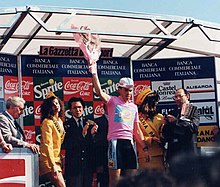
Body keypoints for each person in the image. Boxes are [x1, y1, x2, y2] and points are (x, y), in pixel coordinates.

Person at [91, 66, 148, 186]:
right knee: (115, 181)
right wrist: (94, 72)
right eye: (126, 90)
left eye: (130, 90)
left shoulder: (134, 107)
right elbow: (99, 92)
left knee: (131, 180)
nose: (128, 93)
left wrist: (145, 148)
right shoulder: (113, 101)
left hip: (129, 143)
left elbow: (136, 130)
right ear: (119, 90)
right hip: (115, 143)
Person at [63, 97, 98, 187]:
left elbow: (94, 145)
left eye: (79, 107)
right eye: (74, 108)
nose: (77, 110)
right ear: (70, 110)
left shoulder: (90, 123)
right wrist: (82, 135)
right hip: (73, 167)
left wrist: (93, 135)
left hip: (88, 166)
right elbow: (66, 144)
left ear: (83, 108)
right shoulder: (66, 125)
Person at [162, 88, 200, 167]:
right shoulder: (172, 113)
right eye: (175, 97)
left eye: (180, 96)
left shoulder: (193, 110)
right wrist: (165, 124)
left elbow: (193, 128)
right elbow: (166, 135)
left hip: (188, 153)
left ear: (187, 96)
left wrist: (176, 122)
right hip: (174, 154)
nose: (177, 99)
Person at [39, 92, 66, 187]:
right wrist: (52, 165)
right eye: (52, 105)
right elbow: (47, 144)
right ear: (48, 107)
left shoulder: (60, 121)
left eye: (57, 103)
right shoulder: (47, 122)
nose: (56, 106)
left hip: (56, 160)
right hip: (48, 160)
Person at [135, 87, 165, 170]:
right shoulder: (137, 118)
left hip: (160, 154)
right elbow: (135, 136)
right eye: (152, 101)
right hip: (145, 154)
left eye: (155, 101)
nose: (155, 103)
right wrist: (150, 139)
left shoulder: (160, 117)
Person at [92, 103, 109, 187]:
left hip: (118, 160)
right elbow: (96, 145)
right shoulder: (97, 122)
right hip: (103, 161)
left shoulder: (119, 122)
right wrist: (98, 164)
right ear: (105, 108)